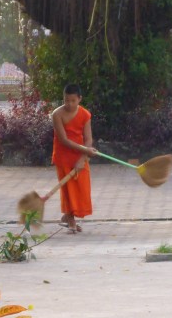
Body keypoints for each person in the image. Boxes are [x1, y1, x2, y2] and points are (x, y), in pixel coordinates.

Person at [52, 84, 97, 233]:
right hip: (63, 155)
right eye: (66, 100)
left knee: (81, 189)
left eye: (72, 100)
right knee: (68, 190)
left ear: (79, 99)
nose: (69, 104)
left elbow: (88, 140)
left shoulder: (85, 114)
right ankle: (70, 220)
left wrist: (82, 158)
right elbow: (64, 140)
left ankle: (67, 217)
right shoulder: (57, 114)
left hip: (79, 156)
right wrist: (86, 150)